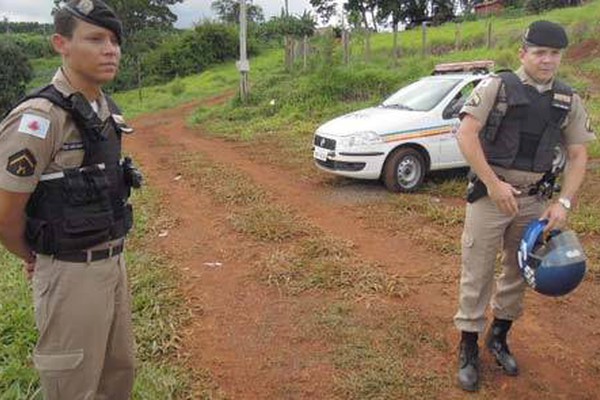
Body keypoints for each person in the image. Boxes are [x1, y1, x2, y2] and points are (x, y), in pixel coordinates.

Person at [0, 1, 142, 398]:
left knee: (118, 373)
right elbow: (5, 215)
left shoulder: (105, 110)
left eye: (114, 40)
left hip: (113, 264)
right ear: (60, 43)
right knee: (73, 384)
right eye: (95, 39)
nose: (110, 49)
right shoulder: (40, 118)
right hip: (69, 272)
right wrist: (36, 256)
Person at [453, 20, 596, 391]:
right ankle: (468, 345)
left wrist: (563, 202)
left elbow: (579, 154)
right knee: (478, 269)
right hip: (490, 195)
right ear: (523, 54)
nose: (547, 60)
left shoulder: (567, 99)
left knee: (519, 271)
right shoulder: (496, 86)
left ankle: (498, 337)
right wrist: (492, 182)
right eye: (539, 53)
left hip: (535, 200)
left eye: (554, 54)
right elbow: (465, 134)